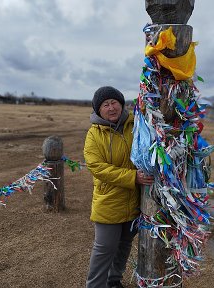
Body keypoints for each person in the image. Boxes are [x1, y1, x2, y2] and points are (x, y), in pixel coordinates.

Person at [84, 86, 154, 288]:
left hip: (133, 200)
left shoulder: (136, 125)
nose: (111, 107)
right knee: (104, 248)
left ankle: (114, 280)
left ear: (121, 104)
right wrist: (133, 177)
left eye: (114, 102)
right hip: (109, 200)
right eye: (105, 104)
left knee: (124, 245)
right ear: (98, 110)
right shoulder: (94, 134)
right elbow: (97, 167)